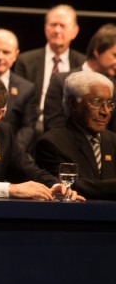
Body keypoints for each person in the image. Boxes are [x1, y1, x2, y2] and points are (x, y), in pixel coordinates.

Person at [35, 71, 116, 200]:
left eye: (109, 104)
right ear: (73, 103)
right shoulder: (52, 143)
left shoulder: (113, 141)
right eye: (96, 102)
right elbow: (69, 186)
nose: (105, 112)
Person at [13, 5, 85, 129]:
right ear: (45, 28)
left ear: (75, 31)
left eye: (62, 26)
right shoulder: (25, 60)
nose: (57, 30)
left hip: (71, 126)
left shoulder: (82, 63)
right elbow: (20, 102)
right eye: (53, 25)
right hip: (34, 125)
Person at [43, 23, 116, 132]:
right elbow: (54, 127)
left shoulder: (114, 87)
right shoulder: (60, 81)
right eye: (115, 55)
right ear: (97, 51)